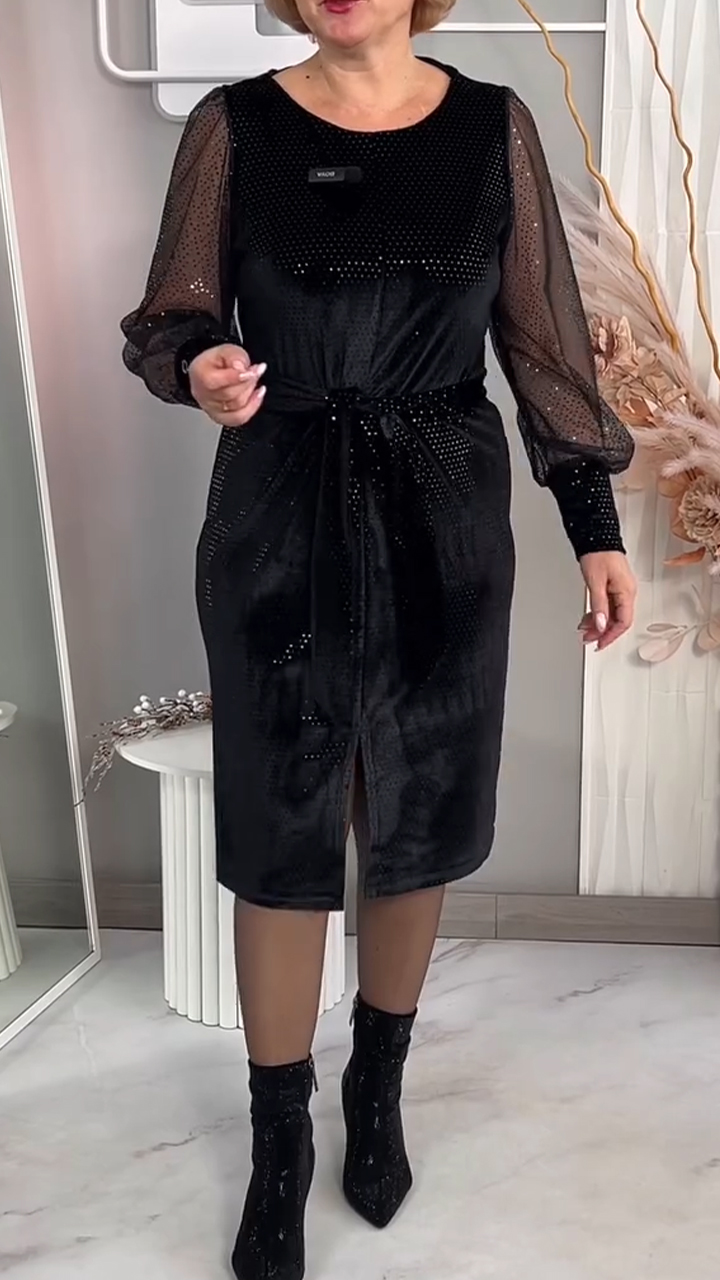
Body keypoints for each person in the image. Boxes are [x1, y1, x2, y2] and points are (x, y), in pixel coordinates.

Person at [121, 0, 637, 1274]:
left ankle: (380, 1084)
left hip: (442, 517)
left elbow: (542, 342)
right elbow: (172, 316)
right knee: (281, 818)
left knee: (418, 800)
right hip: (276, 512)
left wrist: (595, 526)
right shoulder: (236, 127)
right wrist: (202, 366)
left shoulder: (490, 130)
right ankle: (279, 1142)